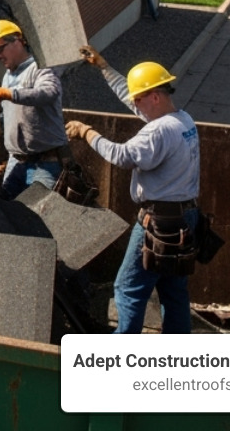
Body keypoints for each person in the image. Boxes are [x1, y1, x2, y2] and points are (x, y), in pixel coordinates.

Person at [73, 46, 200, 334]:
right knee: (174, 291)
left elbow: (122, 156)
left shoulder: (157, 132)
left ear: (154, 97)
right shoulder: (182, 120)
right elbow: (136, 104)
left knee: (128, 289)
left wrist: (87, 133)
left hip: (158, 224)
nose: (136, 105)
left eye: (139, 100)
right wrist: (105, 68)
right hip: (185, 220)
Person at [0, 19, 67, 199]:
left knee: (39, 217)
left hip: (45, 162)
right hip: (16, 161)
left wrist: (10, 94)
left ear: (18, 41)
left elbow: (49, 92)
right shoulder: (7, 76)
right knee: (5, 214)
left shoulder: (40, 67)